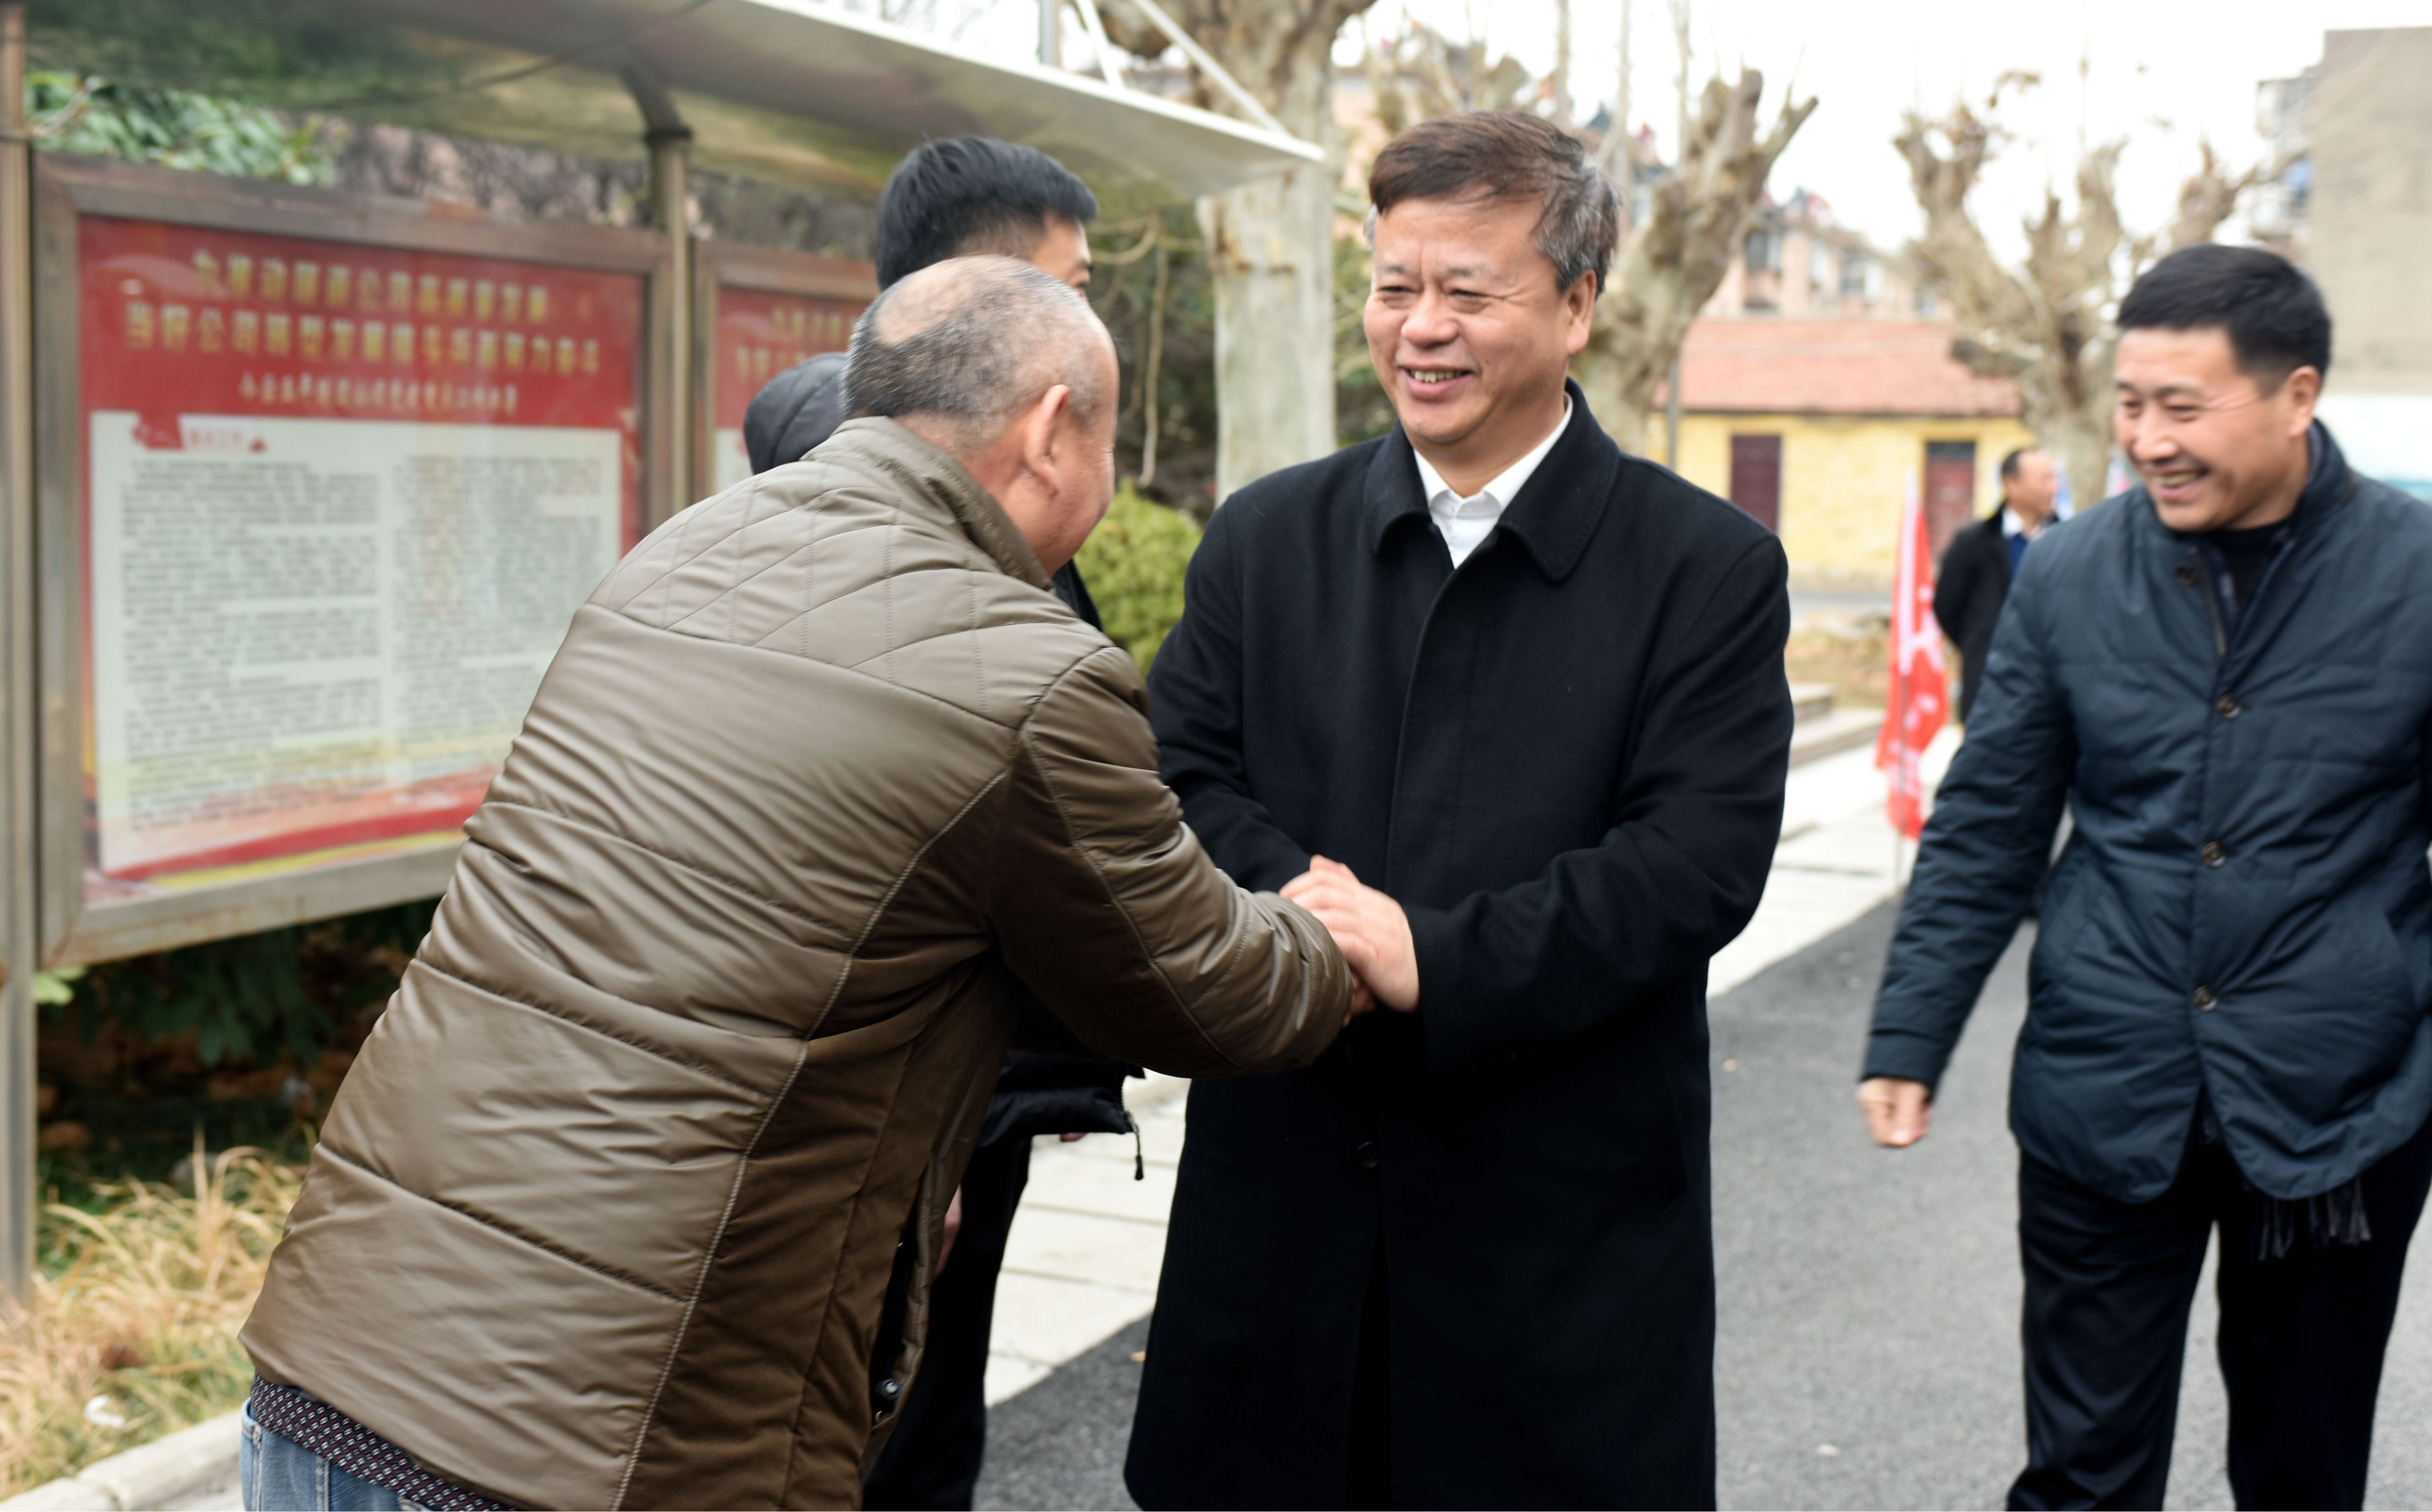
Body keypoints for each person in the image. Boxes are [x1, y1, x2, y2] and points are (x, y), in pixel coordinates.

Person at [235, 259, 1367, 1512]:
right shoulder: (1026, 674)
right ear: (1052, 431)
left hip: (333, 1374)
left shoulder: (686, 551)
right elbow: (1203, 991)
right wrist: (1328, 935)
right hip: (600, 1444)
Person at [1125, 111, 1794, 1509]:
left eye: (1466, 292)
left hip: (1553, 1240)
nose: (1418, 328)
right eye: (1392, 287)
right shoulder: (1267, 535)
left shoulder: (1703, 567)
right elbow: (1178, 777)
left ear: (1577, 306)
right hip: (1285, 1204)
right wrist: (1317, 921)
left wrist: (1432, 954)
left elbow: (1695, 860)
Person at [1859, 244, 2432, 1512]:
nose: (2146, 440)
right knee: (2082, 1475)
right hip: (2103, 1089)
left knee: (2302, 1472)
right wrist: (1911, 1031)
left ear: (2297, 393)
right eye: (2130, 406)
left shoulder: (2415, 571)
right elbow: (1989, 821)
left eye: (2184, 407)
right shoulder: (2068, 573)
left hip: (2339, 1111)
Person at [740, 134, 1123, 1511]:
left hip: (912, 1092)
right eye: (1071, 286)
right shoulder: (972, 561)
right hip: (922, 1097)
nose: (1094, 320)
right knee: (900, 1430)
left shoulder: (808, 474)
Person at [1935, 446, 2060, 722]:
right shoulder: (1975, 541)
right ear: (2011, 484)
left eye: (2055, 478)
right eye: (2044, 480)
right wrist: (1977, 643)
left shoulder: (2068, 541)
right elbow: (1946, 606)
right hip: (1990, 683)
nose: (2054, 488)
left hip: (2054, 685)